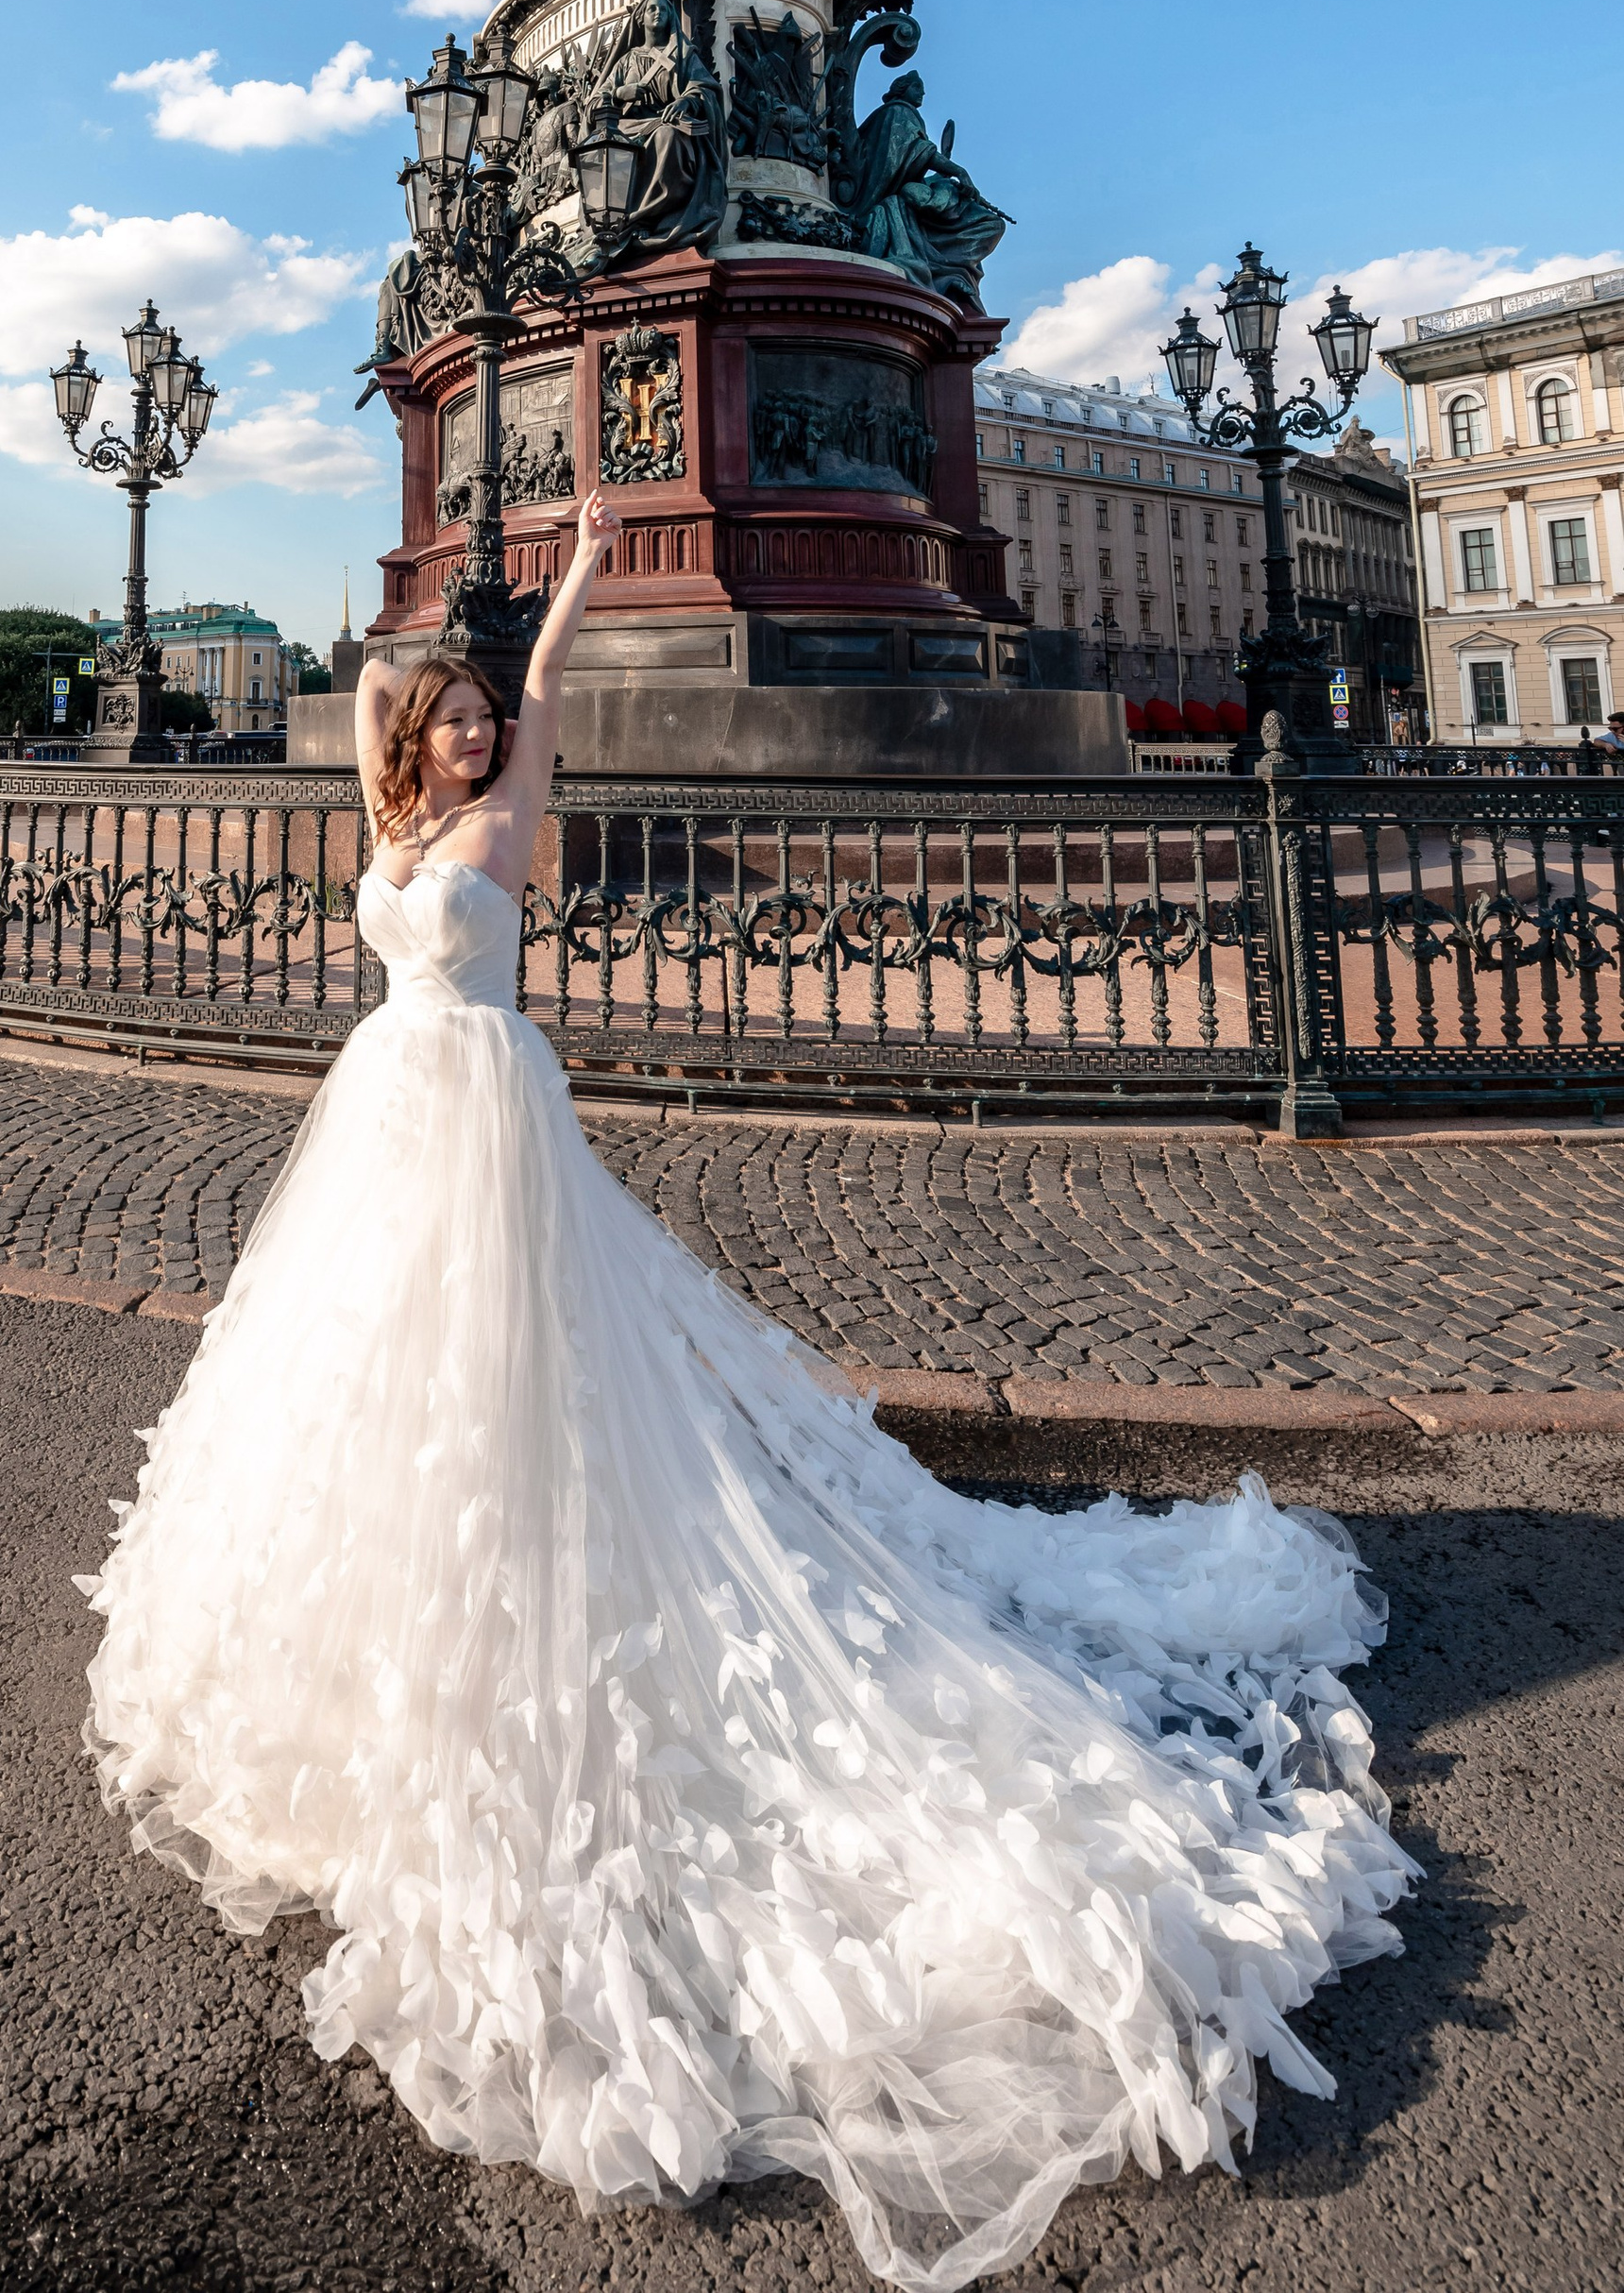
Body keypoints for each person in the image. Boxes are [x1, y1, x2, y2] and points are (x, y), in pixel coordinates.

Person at [82, 495, 1414, 2291]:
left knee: (529, 1365)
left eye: (483, 716)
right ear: (409, 739)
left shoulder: (507, 806)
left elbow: (542, 687)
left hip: (490, 1122)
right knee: (371, 1372)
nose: (474, 729)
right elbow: (392, 896)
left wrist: (559, 585)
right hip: (390, 1118)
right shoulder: (390, 822)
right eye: (452, 716)